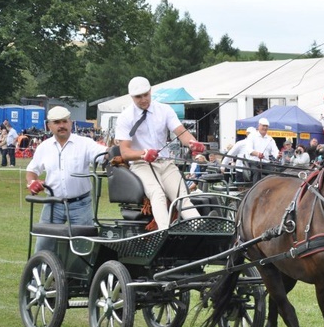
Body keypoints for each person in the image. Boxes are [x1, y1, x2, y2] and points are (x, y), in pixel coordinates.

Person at [115, 76, 205, 230]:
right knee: (157, 194)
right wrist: (143, 153)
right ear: (131, 97)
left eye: (146, 94)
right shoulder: (125, 117)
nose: (143, 99)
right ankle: (164, 232)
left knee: (182, 197)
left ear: (150, 91)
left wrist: (192, 143)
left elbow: (181, 132)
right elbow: (125, 152)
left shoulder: (164, 110)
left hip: (165, 163)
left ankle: (202, 229)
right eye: (138, 97)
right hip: (141, 164)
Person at [25, 106, 108, 251]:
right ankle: (38, 273)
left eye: (65, 121)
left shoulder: (85, 143)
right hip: (52, 204)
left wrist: (117, 150)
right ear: (49, 125)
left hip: (80, 205)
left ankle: (75, 274)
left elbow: (105, 154)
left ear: (71, 123)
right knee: (43, 247)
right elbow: (32, 170)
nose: (62, 126)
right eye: (57, 122)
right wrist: (32, 182)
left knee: (83, 249)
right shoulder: (44, 147)